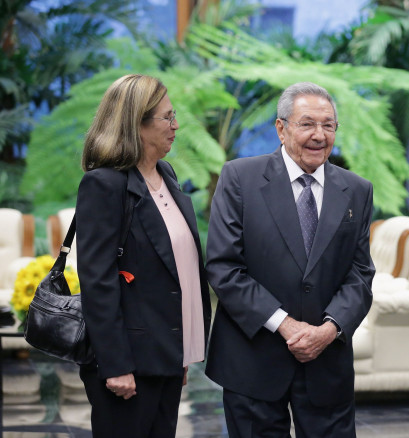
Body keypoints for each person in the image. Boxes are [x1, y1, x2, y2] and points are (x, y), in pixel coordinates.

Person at [204, 82, 375, 437]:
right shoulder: (240, 178)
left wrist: (328, 330)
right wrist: (286, 325)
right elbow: (224, 267)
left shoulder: (356, 190)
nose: (319, 135)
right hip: (253, 361)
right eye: (307, 123)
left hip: (327, 362)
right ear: (281, 128)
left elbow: (360, 273)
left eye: (328, 125)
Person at [76, 74, 212, 438]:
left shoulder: (165, 174)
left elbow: (175, 272)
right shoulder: (104, 184)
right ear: (137, 123)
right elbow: (98, 281)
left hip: (165, 356)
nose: (176, 125)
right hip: (128, 366)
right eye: (167, 117)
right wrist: (115, 365)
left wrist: (180, 352)